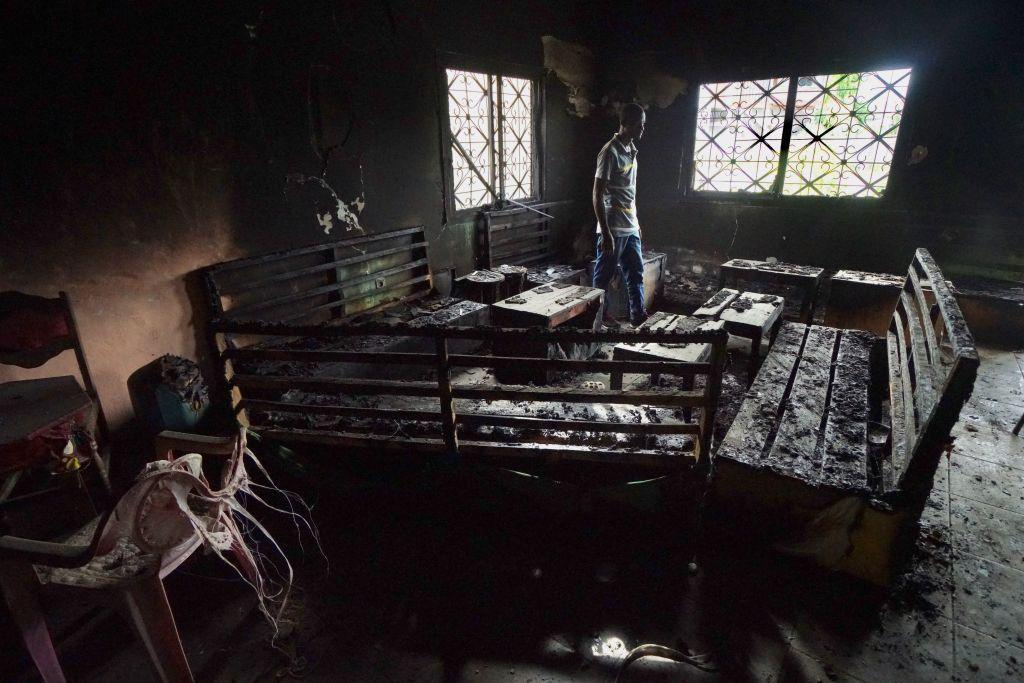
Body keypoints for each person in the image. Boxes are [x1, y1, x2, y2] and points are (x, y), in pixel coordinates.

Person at [592, 102, 647, 327]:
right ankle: (597, 320)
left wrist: (637, 223)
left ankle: (638, 317)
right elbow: (597, 195)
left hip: (630, 226)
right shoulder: (610, 152)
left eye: (643, 125)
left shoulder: (632, 150)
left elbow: (629, 192)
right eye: (639, 125)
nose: (642, 130)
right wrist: (605, 234)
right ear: (626, 124)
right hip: (613, 228)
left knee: (636, 274)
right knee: (602, 279)